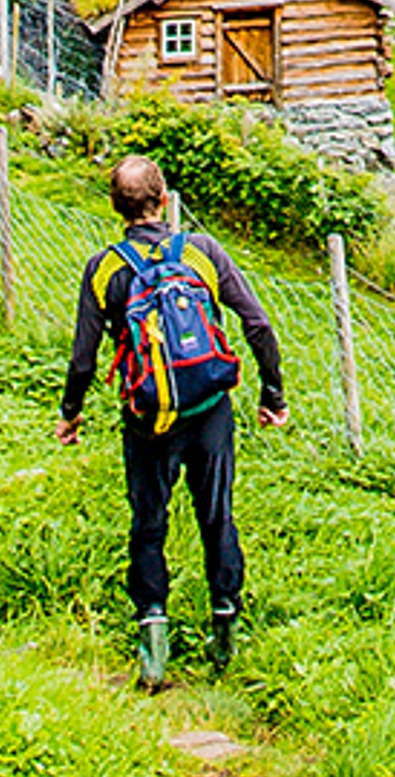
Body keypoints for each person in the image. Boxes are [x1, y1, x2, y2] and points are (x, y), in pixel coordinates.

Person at [56, 154, 285, 690]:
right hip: (209, 410)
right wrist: (272, 394)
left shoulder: (104, 269)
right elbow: (257, 324)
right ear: (164, 200)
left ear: (116, 208)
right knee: (217, 516)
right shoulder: (202, 252)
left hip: (147, 420)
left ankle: (153, 650)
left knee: (148, 523)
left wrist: (71, 413)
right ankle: (224, 635)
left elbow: (83, 359)